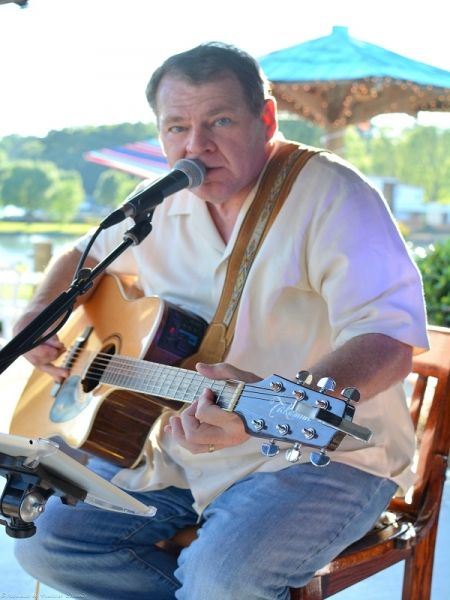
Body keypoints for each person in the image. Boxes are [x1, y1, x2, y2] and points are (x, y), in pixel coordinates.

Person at [13, 42, 428, 600]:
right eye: (176, 127)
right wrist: (40, 310)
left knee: (221, 580)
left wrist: (283, 403)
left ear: (267, 119)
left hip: (322, 455)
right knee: (49, 542)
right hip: (176, 449)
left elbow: (388, 338)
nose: (196, 146)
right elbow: (83, 256)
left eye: (220, 121)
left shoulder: (334, 194)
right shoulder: (158, 201)